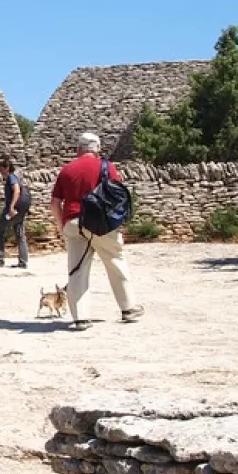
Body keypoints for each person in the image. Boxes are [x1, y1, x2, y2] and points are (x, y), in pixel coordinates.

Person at [50, 133, 144, 331]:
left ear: (78, 149)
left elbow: (55, 203)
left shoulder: (67, 170)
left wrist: (62, 226)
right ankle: (128, 308)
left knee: (77, 270)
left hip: (74, 222)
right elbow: (118, 197)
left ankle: (81, 318)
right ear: (98, 148)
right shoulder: (107, 167)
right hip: (101, 224)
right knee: (115, 261)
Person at [0, 158, 29, 269]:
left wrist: (11, 207)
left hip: (12, 210)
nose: (0, 172)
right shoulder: (15, 177)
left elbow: (16, 191)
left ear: (6, 168)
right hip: (20, 211)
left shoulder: (11, 178)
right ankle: (23, 262)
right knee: (20, 235)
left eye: (1, 169)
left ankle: (0, 259)